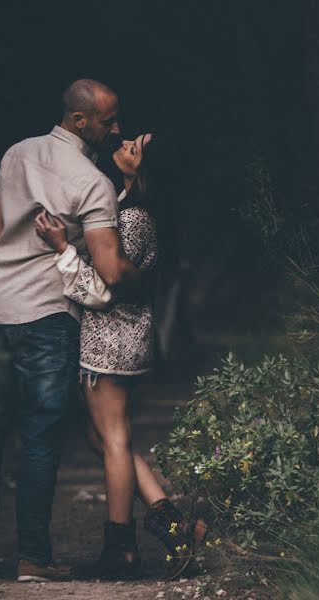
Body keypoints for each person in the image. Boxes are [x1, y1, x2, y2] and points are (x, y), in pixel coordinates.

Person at [0, 79, 142, 583]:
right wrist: (145, 275)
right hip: (47, 315)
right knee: (40, 439)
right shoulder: (92, 182)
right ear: (79, 120)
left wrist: (9, 272)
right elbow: (109, 270)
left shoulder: (15, 154)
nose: (117, 129)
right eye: (109, 121)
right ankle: (33, 558)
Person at [35, 133, 207, 580]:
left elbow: (102, 290)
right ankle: (174, 524)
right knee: (104, 440)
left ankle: (122, 549)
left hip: (111, 339)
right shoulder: (140, 210)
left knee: (112, 438)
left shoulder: (132, 216)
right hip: (126, 337)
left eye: (139, 144)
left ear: (146, 166)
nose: (127, 141)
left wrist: (62, 251)